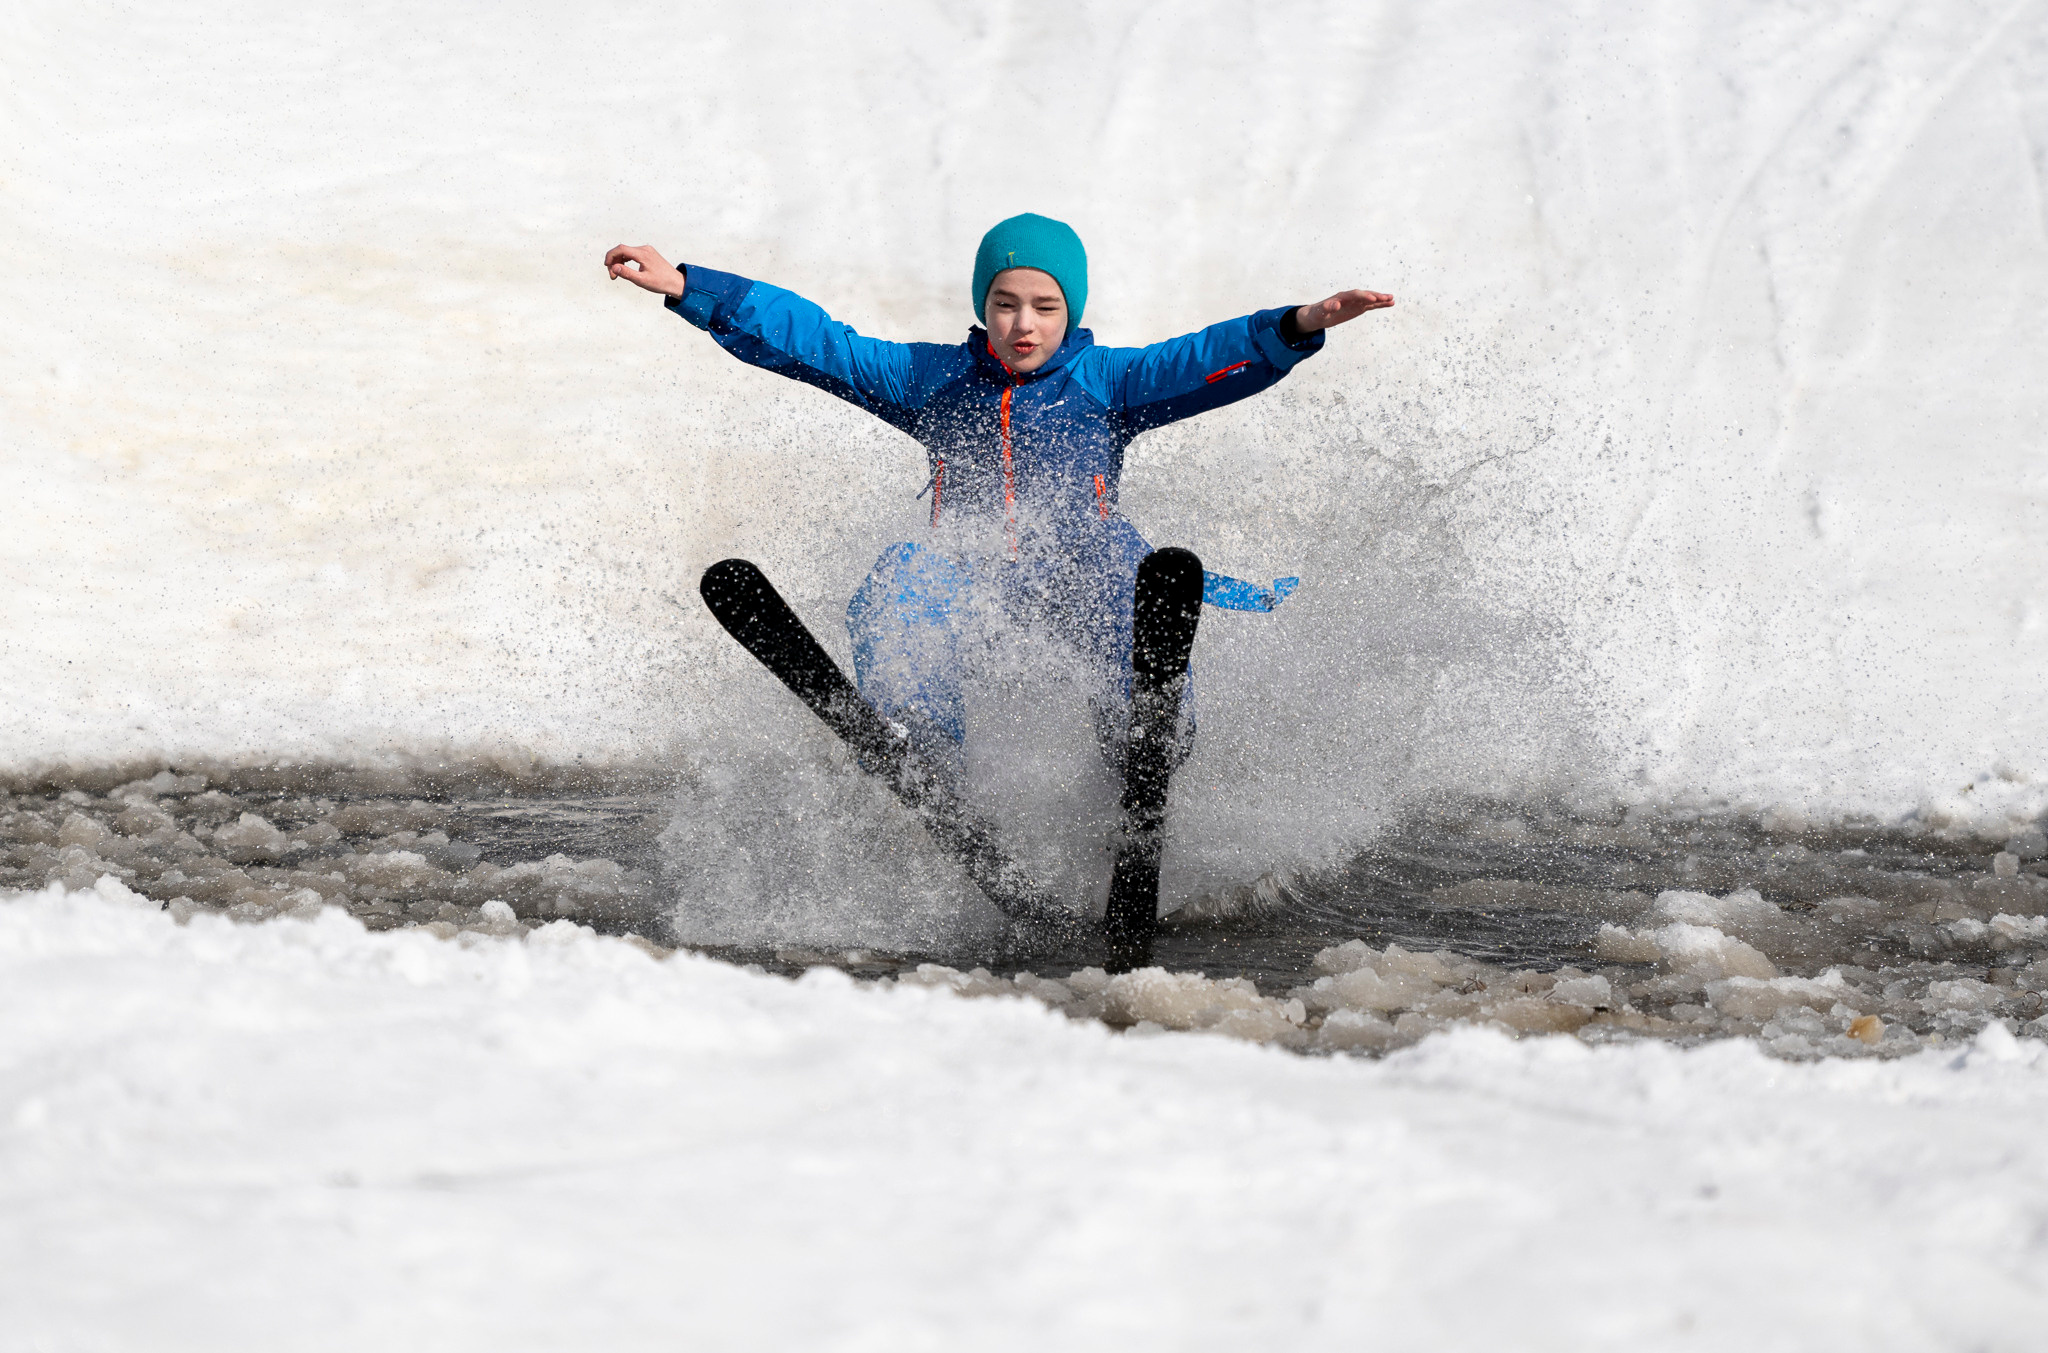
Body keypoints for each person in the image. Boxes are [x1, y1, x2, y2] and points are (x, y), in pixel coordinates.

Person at [605, 214, 1391, 776]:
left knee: (1128, 585)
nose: (1024, 323)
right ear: (982, 306)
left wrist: (1296, 325)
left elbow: (1202, 360)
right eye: (1005, 303)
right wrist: (688, 287)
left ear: (1071, 311)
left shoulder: (1105, 383)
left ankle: (1144, 742)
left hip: (1082, 571)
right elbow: (817, 342)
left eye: (1046, 307)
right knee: (899, 588)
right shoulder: (933, 381)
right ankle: (922, 748)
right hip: (974, 579)